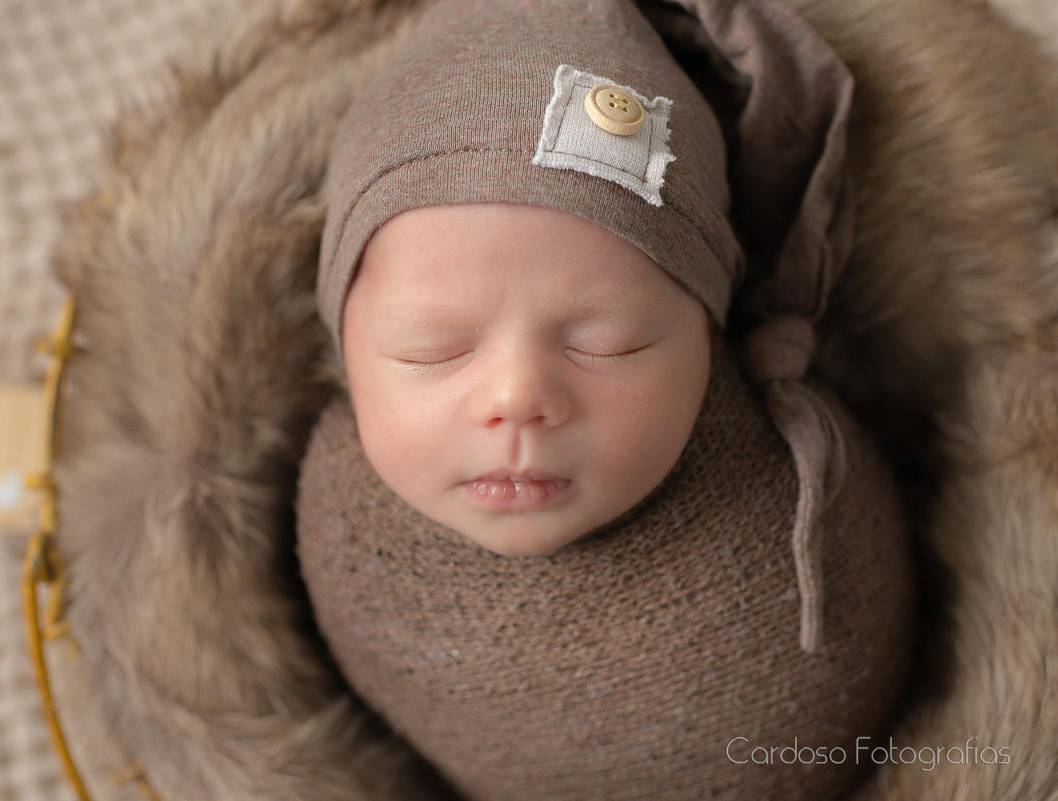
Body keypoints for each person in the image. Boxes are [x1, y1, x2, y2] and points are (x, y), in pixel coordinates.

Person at [296, 0, 916, 798]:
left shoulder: (797, 505)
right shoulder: (335, 524)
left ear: (710, 338)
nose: (517, 398)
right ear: (343, 346)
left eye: (607, 342)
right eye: (433, 347)